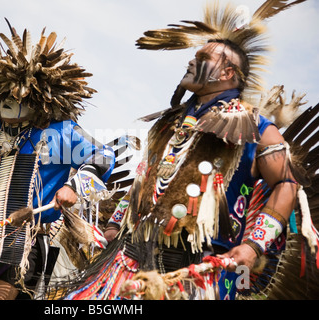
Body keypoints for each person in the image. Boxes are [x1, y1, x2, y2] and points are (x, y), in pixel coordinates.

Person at [63, 0, 315, 300]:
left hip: (194, 276)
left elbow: (286, 184)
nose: (191, 62)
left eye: (202, 57)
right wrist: (116, 226)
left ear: (227, 73)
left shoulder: (257, 129)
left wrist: (254, 244)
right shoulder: (169, 125)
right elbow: (145, 178)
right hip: (125, 263)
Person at [0, 21, 115, 300]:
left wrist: (74, 187)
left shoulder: (61, 131)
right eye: (5, 96)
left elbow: (104, 156)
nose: (9, 103)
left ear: (38, 99)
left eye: (18, 96)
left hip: (26, 239)